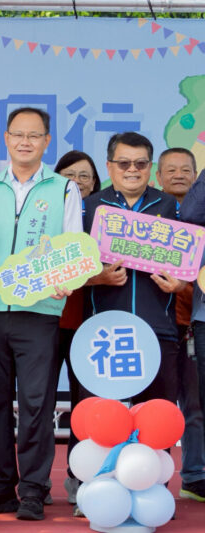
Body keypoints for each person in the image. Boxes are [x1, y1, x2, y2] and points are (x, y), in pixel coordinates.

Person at [0, 107, 83, 521]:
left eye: (34, 135)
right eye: (17, 135)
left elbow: (74, 248)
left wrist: (69, 277)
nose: (25, 142)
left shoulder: (63, 188)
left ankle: (33, 489)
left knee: (35, 403)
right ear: (6, 139)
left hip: (39, 310)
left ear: (47, 141)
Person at [84, 133, 184, 408]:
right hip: (103, 332)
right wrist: (97, 277)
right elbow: (72, 270)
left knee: (156, 417)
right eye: (124, 163)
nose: (132, 170)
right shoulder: (90, 207)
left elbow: (185, 270)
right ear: (109, 166)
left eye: (140, 164)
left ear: (150, 167)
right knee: (103, 420)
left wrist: (179, 285)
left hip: (157, 329)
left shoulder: (169, 206)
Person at [155, 147, 205, 501]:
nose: (178, 175)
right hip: (157, 325)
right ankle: (151, 477)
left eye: (186, 169)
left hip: (193, 322)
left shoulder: (200, 221)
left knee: (195, 405)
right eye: (170, 170)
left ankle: (194, 475)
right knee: (155, 405)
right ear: (157, 176)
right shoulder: (148, 220)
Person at [52, 150, 100, 512]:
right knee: (40, 403)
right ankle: (33, 482)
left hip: (91, 324)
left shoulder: (108, 220)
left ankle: (80, 477)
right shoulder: (48, 216)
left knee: (87, 408)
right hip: (50, 320)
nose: (78, 182)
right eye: (69, 175)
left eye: (85, 176)